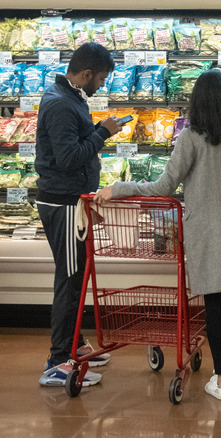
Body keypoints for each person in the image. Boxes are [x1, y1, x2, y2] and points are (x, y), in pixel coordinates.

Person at [95, 69, 221, 400]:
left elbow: (164, 186)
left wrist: (120, 187)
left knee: (214, 301)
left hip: (207, 231)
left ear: (198, 103)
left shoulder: (191, 137)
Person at [35, 42, 121, 387]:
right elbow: (69, 158)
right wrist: (102, 133)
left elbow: (72, 147)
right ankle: (58, 361)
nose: (101, 85)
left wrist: (96, 128)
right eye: (100, 79)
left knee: (75, 278)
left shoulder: (69, 98)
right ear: (86, 74)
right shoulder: (60, 104)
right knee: (70, 282)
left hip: (73, 202)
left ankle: (76, 344)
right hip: (64, 203)